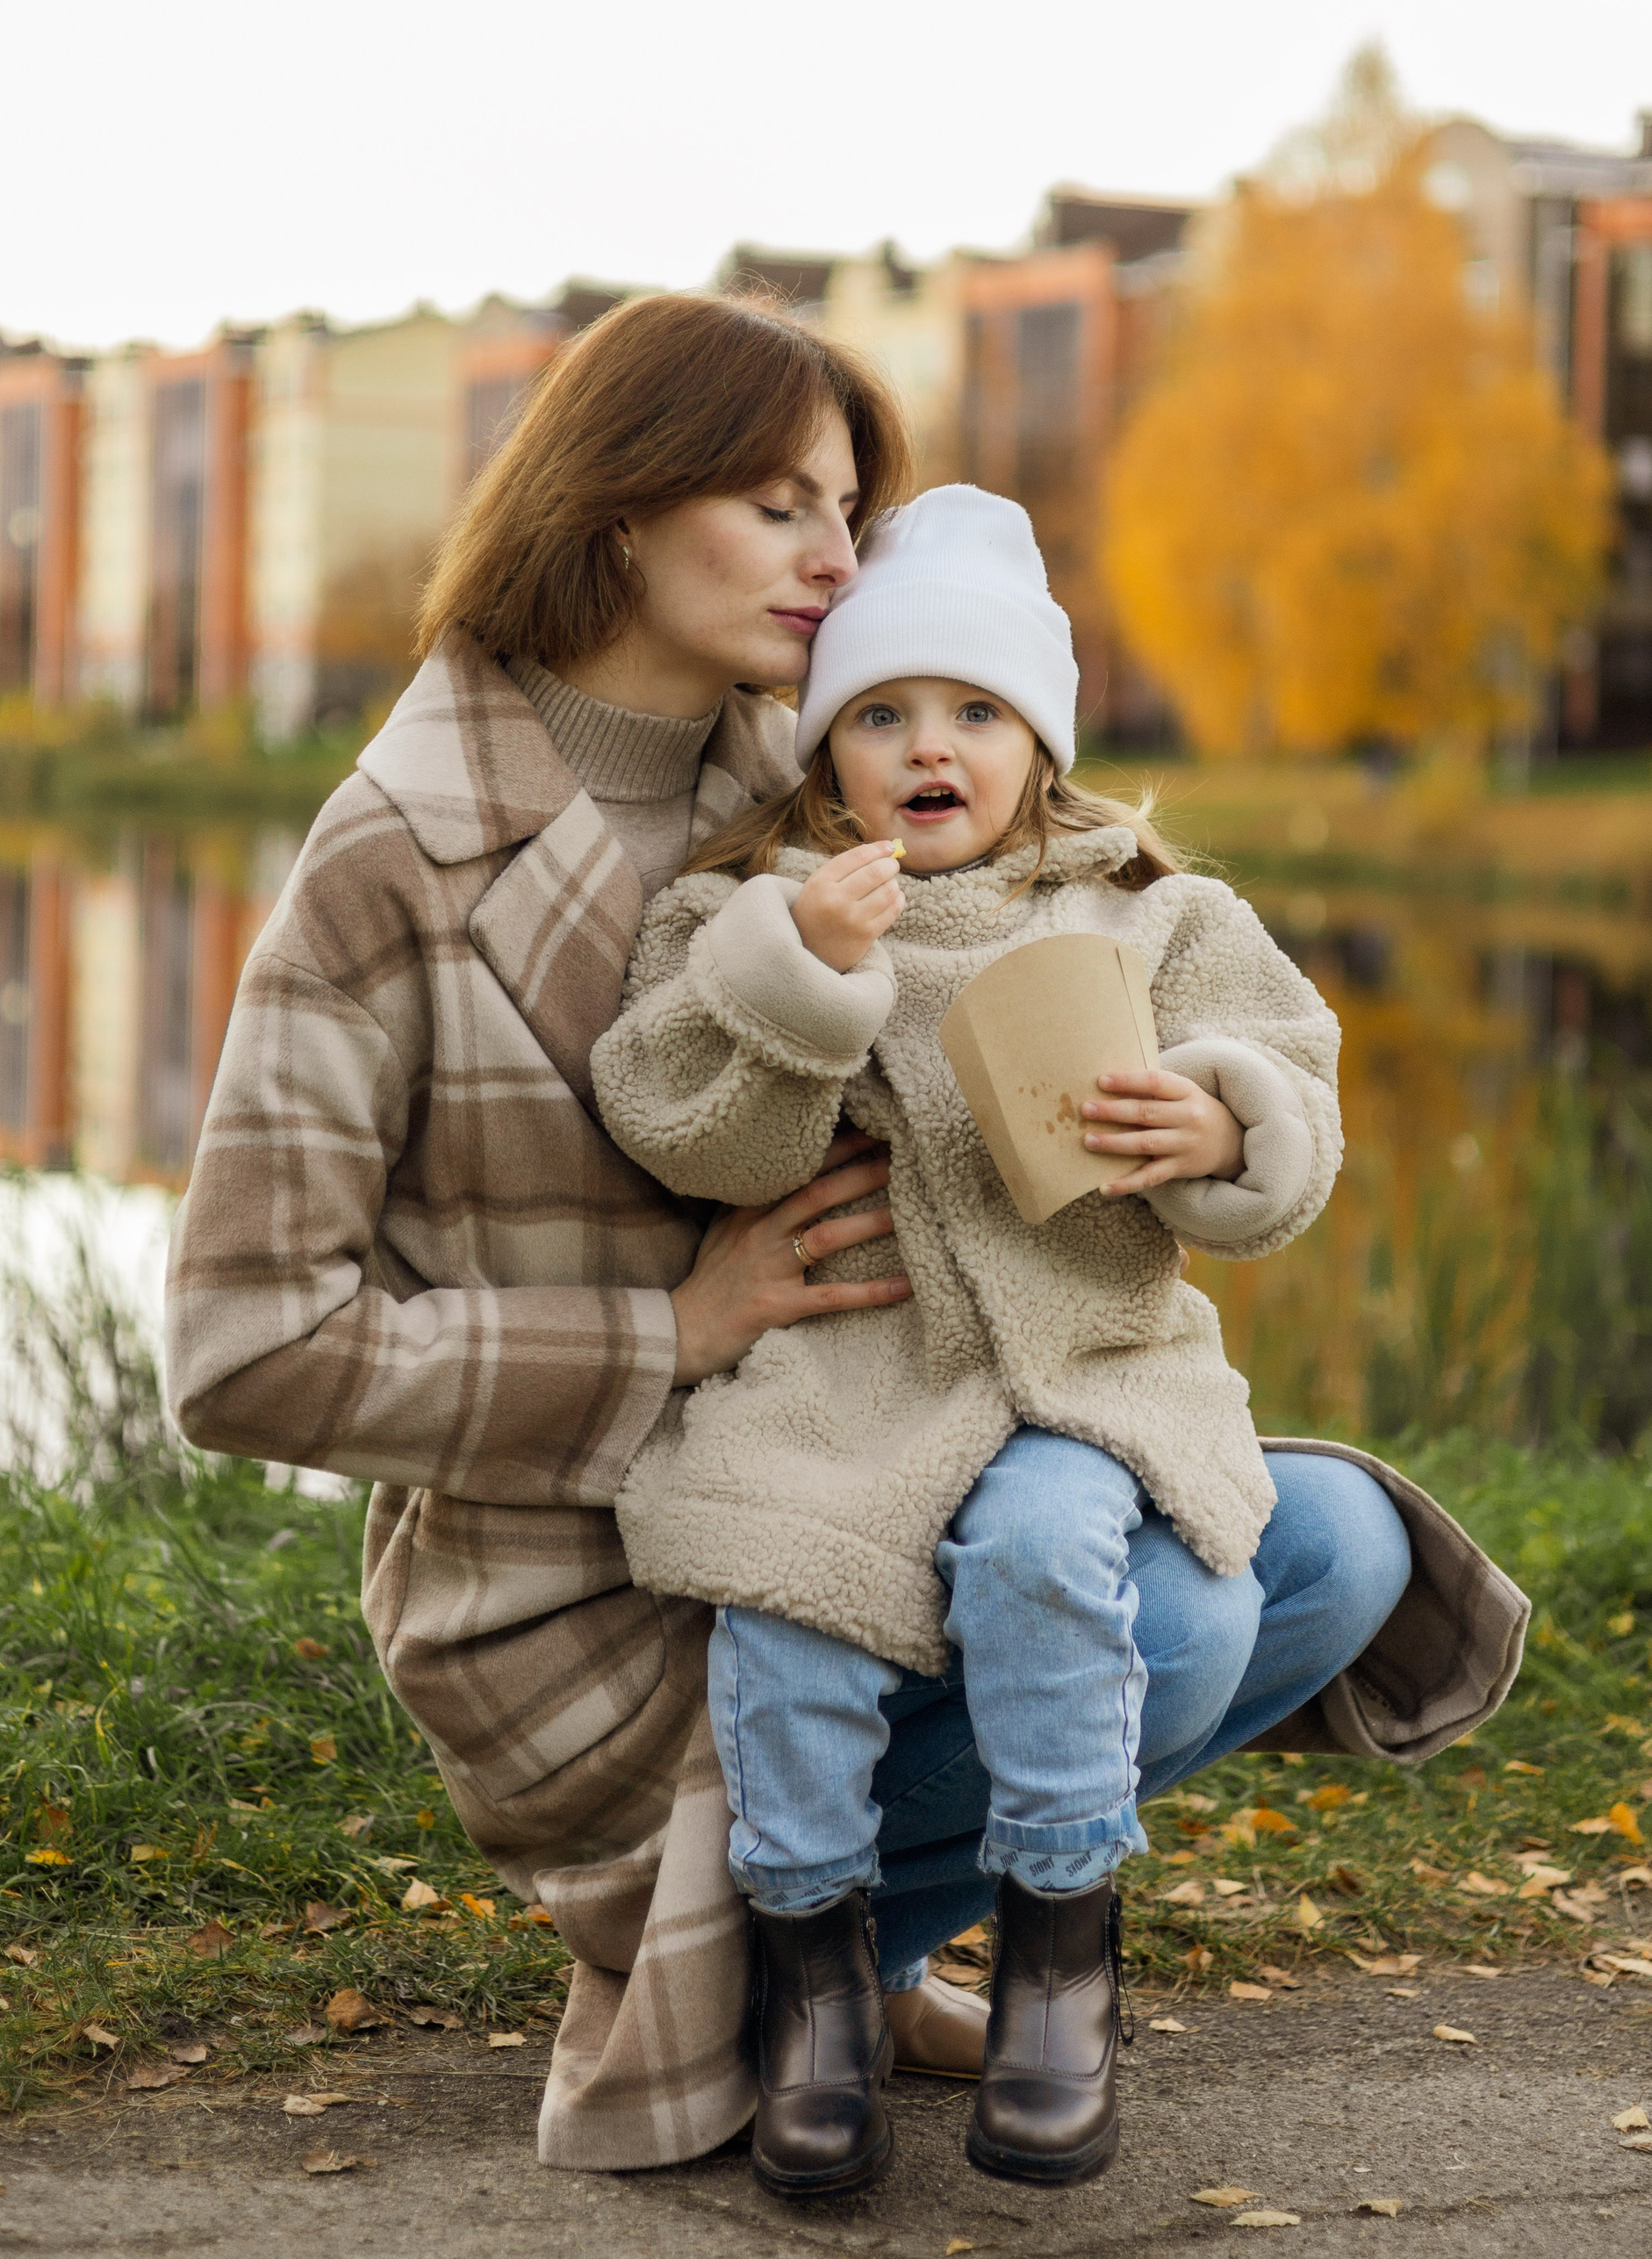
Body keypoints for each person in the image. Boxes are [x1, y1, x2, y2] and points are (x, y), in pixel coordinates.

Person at [164, 291, 1529, 2182]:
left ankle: (856, 1963)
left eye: (847, 509)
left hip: (895, 1450)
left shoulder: (835, 765)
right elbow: (243, 1349)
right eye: (781, 506)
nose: (839, 557)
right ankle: (777, 1971)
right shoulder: (390, 857)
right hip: (584, 1579)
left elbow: (1138, 950)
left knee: (1328, 1547)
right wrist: (671, 1330)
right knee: (1183, 1613)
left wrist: (1179, 1119)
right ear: (617, 513)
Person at [593, 483, 1354, 2194]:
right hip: (848, 1379)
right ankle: (812, 1984)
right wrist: (801, 985)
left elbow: (1292, 1084)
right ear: (824, 754)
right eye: (880, 713)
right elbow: (690, 1136)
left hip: (1083, 1378)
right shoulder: (750, 916)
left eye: (973, 711)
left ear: (1037, 744)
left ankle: (1056, 1960)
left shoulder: (1150, 909)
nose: (927, 744)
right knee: (786, 1610)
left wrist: (1223, 1122)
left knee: (1046, 1549)